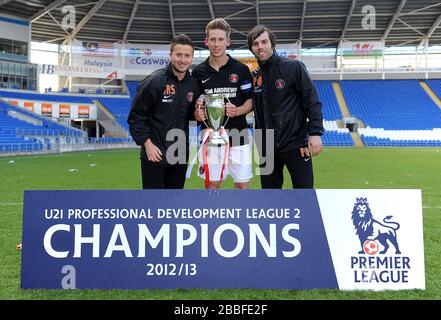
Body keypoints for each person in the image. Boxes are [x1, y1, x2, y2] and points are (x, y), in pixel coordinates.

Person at [247, 25, 324, 189]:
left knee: (304, 192)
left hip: (296, 143)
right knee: (270, 196)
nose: (260, 46)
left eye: (264, 42)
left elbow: (312, 101)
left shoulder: (294, 67)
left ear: (272, 44)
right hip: (266, 147)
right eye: (255, 43)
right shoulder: (255, 77)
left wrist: (315, 133)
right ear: (252, 48)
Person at [128, 34, 201, 189]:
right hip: (154, 154)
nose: (182, 60)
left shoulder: (193, 85)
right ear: (170, 55)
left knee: (173, 205)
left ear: (192, 58)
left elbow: (189, 117)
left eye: (187, 55)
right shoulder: (154, 81)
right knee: (153, 205)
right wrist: (147, 144)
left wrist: (197, 116)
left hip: (179, 155)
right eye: (178, 54)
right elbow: (136, 117)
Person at [193, 18, 254, 190]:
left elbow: (251, 101)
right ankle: (212, 218)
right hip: (211, 137)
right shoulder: (198, 72)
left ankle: (237, 218)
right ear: (206, 41)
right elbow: (195, 105)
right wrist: (197, 114)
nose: (216, 44)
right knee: (212, 186)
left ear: (228, 41)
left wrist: (238, 110)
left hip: (239, 136)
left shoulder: (241, 70)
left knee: (242, 188)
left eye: (221, 39)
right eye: (212, 39)